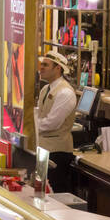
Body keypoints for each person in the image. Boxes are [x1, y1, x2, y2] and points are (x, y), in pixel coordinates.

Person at [35, 50, 78, 193]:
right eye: (41, 64)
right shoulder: (45, 89)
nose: (41, 68)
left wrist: (31, 126)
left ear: (58, 68)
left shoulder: (65, 93)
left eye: (45, 65)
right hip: (43, 149)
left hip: (57, 153)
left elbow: (52, 123)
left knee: (54, 193)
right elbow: (40, 114)